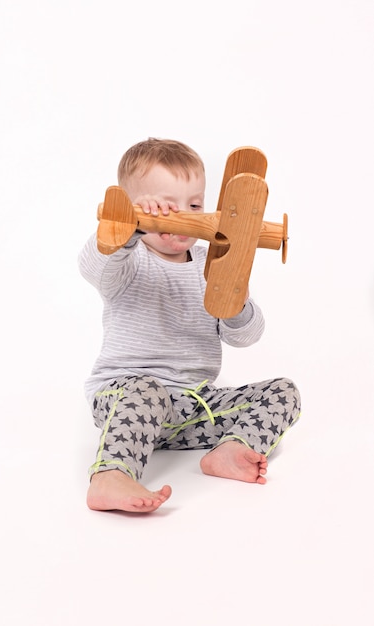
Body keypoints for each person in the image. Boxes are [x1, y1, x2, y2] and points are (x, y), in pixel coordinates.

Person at [78, 137, 301, 514]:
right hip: (127, 397)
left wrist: (234, 297)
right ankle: (111, 474)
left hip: (191, 408)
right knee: (145, 389)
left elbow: (245, 336)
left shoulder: (209, 262)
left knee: (284, 391)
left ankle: (230, 451)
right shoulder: (128, 263)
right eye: (164, 206)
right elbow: (93, 264)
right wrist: (130, 228)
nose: (182, 216)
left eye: (194, 205)